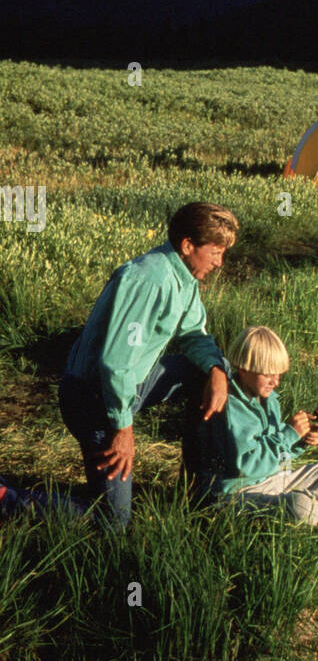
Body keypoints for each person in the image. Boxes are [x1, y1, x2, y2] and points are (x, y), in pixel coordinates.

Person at [57, 202, 238, 528]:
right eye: (215, 252)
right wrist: (122, 429)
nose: (219, 262)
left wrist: (216, 371)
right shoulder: (149, 280)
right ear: (187, 245)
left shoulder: (183, 277)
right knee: (112, 523)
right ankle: (10, 498)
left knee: (210, 368)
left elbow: (194, 333)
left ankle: (199, 489)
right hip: (93, 397)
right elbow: (115, 364)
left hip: (132, 380)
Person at [196, 325, 318, 532]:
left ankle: (312, 513)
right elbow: (246, 467)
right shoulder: (229, 407)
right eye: (268, 375)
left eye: (279, 374)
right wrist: (289, 434)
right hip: (238, 493)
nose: (276, 382)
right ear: (243, 368)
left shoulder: (269, 399)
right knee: (298, 505)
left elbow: (281, 460)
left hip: (275, 480)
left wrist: (301, 441)